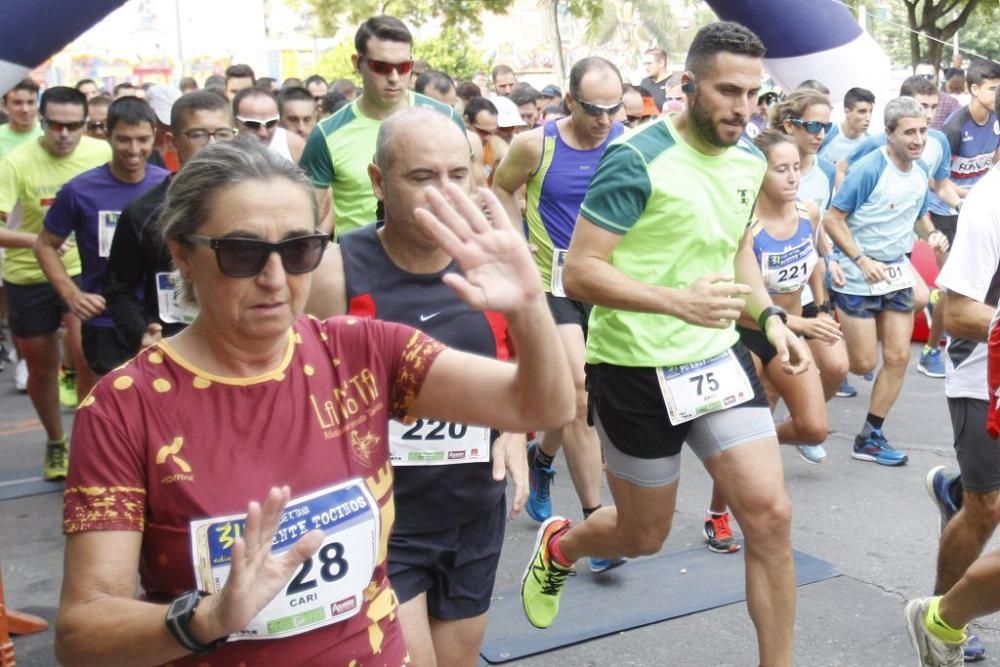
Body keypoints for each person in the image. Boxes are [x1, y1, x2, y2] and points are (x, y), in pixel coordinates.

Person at [55, 137, 573, 667]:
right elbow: (82, 634)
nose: (275, 279)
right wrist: (205, 618)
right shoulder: (124, 407)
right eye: (241, 252)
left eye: (299, 249)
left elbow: (540, 408)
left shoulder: (361, 350)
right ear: (182, 253)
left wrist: (529, 307)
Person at [519, 22, 808, 667]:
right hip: (635, 367)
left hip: (714, 356)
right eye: (727, 91)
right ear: (688, 86)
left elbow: (736, 249)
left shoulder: (751, 159)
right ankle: (562, 547)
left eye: (753, 94)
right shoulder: (636, 157)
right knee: (641, 534)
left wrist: (770, 318)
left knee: (771, 515)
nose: (742, 107)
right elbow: (583, 271)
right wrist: (679, 302)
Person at [305, 107, 529, 667]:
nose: (445, 192)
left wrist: (513, 429)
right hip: (386, 524)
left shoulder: (493, 259)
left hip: (475, 508)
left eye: (458, 174)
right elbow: (305, 401)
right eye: (422, 177)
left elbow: (525, 368)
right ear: (379, 182)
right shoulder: (336, 270)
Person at [492, 56, 625, 574]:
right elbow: (500, 189)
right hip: (553, 283)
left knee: (572, 402)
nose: (605, 119)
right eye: (595, 108)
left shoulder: (625, 143)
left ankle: (542, 459)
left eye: (614, 108)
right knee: (577, 395)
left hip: (605, 282)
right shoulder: (535, 144)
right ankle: (595, 524)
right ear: (570, 101)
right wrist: (516, 248)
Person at [704, 131, 843, 553]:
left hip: (790, 330)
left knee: (813, 428)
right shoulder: (742, 225)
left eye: (796, 168)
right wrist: (797, 325)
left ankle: (753, 442)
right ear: (758, 173)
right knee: (757, 409)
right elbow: (741, 303)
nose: (792, 177)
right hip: (745, 332)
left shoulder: (809, 211)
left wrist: (819, 306)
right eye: (780, 169)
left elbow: (813, 258)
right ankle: (717, 513)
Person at [824, 96, 949, 466]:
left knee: (896, 358)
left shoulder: (921, 168)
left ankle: (870, 436)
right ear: (889, 134)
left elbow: (920, 215)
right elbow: (832, 219)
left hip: (895, 271)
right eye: (909, 132)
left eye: (923, 131)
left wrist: (932, 235)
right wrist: (860, 259)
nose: (918, 139)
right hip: (858, 273)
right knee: (863, 363)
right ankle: (820, 366)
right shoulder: (869, 169)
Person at [921, 99, 1000, 662]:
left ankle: (958, 489)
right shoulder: (990, 205)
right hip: (984, 380)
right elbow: (959, 313)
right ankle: (939, 616)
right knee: (987, 510)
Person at [0, 86, 111, 479]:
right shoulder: (16, 161)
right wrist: (39, 240)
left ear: (85, 124)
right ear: (42, 123)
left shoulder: (101, 152)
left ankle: (85, 441)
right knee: (41, 368)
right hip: (27, 274)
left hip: (83, 271)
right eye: (55, 125)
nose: (64, 134)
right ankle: (54, 440)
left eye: (73, 126)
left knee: (86, 355)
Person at [34, 97, 168, 398]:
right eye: (123, 139)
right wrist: (72, 294)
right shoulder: (79, 190)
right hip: (105, 319)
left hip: (157, 317)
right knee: (103, 402)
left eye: (142, 140)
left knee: (159, 402)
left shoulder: (169, 186)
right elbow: (44, 246)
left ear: (156, 137)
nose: (133, 150)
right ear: (107, 134)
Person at [300, 15, 464, 237]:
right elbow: (305, 219)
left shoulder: (446, 119)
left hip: (438, 256)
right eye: (381, 67)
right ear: (358, 63)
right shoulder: (326, 134)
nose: (394, 77)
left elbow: (470, 192)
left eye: (404, 66)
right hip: (358, 264)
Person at [103, 91, 235, 358]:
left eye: (222, 134)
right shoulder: (143, 213)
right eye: (198, 135)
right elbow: (119, 290)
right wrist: (141, 332)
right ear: (172, 141)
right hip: (173, 350)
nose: (211, 145)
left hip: (241, 344)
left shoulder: (255, 205)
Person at [771, 90, 851, 402]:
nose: (821, 135)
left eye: (827, 127)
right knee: (774, 383)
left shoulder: (828, 172)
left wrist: (829, 256)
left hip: (808, 289)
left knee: (836, 368)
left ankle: (800, 425)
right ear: (790, 125)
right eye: (814, 126)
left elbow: (814, 230)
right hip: (769, 295)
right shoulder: (758, 165)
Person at [233, 87, 304, 164]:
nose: (263, 133)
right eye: (253, 124)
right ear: (235, 122)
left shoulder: (294, 145)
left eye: (271, 123)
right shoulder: (226, 151)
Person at [818, 87, 874, 164]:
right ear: (847, 111)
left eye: (870, 111)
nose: (868, 117)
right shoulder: (826, 133)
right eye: (862, 111)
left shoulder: (870, 144)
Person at [0, 79, 41, 155]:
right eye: (17, 103)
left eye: (31, 102)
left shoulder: (49, 134)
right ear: (4, 106)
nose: (25, 109)